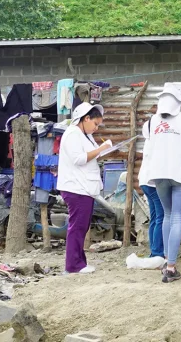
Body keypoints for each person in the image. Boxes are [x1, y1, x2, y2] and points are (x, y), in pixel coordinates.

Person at [138, 82, 181, 283]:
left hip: (158, 174)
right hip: (179, 173)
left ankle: (166, 260)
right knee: (177, 218)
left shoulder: (150, 122)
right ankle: (172, 268)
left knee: (167, 215)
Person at [57, 102, 113, 274]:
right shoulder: (73, 133)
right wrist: (102, 148)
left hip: (84, 187)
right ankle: (73, 265)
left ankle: (79, 262)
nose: (96, 128)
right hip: (76, 188)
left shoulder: (85, 135)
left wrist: (106, 149)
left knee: (82, 226)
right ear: (86, 118)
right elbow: (79, 159)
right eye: (95, 124)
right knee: (77, 226)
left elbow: (94, 154)